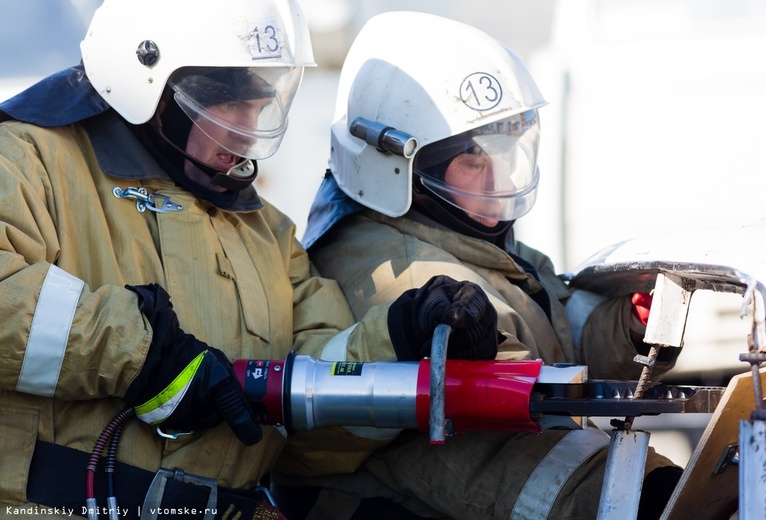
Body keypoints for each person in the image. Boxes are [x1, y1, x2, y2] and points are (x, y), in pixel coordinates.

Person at [0, 2, 500, 519]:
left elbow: (314, 425)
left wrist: (401, 340)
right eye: (227, 104)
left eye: (259, 106)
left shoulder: (267, 234)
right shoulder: (28, 162)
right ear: (145, 79)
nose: (245, 131)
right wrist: (144, 357)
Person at [274, 11, 683, 520]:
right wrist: (652, 495)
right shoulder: (401, 273)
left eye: (509, 150)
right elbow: (503, 446)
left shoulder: (467, 238)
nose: (499, 179)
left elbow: (553, 329)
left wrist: (626, 326)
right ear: (403, 169)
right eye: (473, 160)